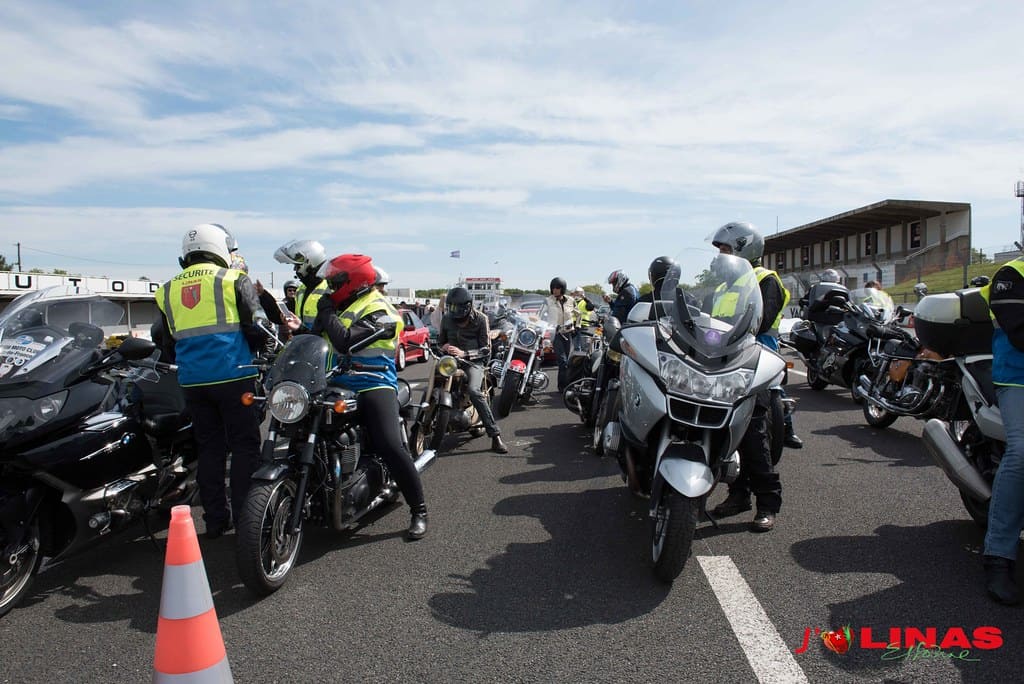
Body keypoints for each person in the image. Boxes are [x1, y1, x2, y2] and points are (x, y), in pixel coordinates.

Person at [153, 223, 267, 540]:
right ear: (219, 247)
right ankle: (245, 520)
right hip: (234, 375)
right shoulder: (232, 279)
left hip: (193, 382)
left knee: (209, 449)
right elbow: (258, 327)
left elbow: (165, 341)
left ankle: (216, 520)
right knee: (244, 447)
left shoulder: (167, 289)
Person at [312, 253, 429, 540]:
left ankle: (419, 510)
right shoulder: (340, 306)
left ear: (352, 282)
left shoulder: (381, 309)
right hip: (336, 384)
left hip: (373, 383)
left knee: (389, 444)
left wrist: (326, 312)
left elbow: (345, 341)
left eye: (334, 282)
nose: (329, 288)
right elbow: (313, 341)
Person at [708, 222, 788, 532]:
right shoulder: (722, 287)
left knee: (753, 434)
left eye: (725, 249)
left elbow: (761, 321)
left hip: (753, 366)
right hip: (721, 365)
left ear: (745, 249)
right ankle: (738, 495)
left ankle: (767, 504)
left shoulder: (766, 280)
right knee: (723, 433)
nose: (720, 255)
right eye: (719, 250)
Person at [980, 253, 1024, 604]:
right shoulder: (1012, 273)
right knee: (1023, 452)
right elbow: (1019, 332)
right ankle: (998, 554)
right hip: (1017, 379)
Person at [438, 286, 508, 454]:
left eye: (457, 307)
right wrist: (444, 346)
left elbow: (486, 349)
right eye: (451, 306)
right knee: (434, 383)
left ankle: (495, 436)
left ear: (467, 306)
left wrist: (464, 353)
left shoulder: (481, 319)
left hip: (473, 362)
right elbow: (440, 342)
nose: (453, 310)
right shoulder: (446, 319)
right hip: (451, 361)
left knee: (474, 391)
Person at [272, 239, 330, 330]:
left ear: (310, 263)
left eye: (297, 266)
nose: (295, 269)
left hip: (318, 339)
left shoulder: (329, 288)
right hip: (303, 337)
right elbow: (278, 316)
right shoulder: (302, 289)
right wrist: (263, 295)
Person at [545, 277, 577, 393]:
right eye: (553, 288)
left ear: (562, 289)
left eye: (557, 288)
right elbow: (540, 315)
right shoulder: (547, 301)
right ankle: (562, 387)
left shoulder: (571, 300)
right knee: (562, 361)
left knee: (568, 362)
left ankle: (566, 384)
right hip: (556, 334)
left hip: (568, 334)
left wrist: (577, 326)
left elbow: (578, 314)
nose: (555, 290)